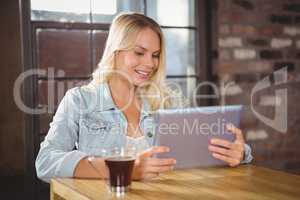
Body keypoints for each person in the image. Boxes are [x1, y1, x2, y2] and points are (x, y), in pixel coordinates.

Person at [35, 12, 252, 183]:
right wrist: (125, 169)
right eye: (139, 53)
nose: (150, 64)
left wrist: (238, 153)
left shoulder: (170, 101)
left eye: (155, 55)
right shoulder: (80, 101)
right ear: (116, 52)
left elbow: (203, 146)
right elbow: (45, 162)